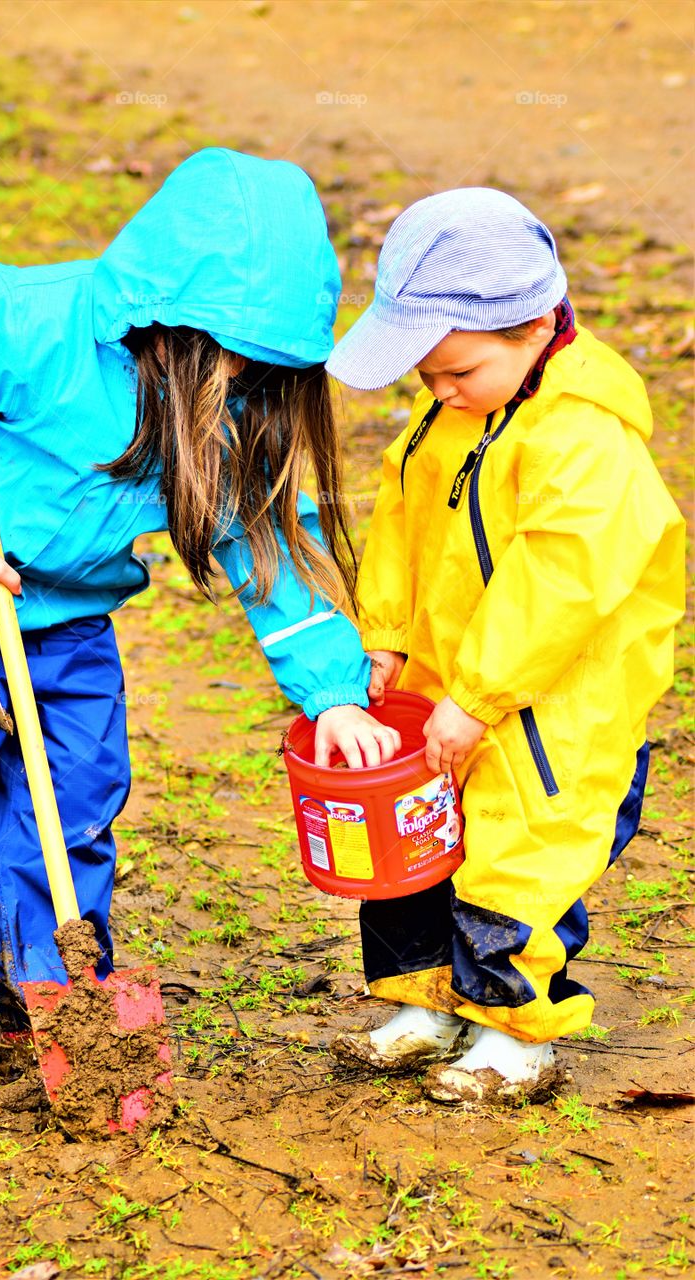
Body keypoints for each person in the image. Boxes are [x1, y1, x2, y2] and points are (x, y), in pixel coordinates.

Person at [0, 147, 401, 1099]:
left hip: (64, 621)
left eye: (265, 368)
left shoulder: (234, 409)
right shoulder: (15, 324)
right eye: (227, 355)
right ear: (163, 313)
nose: (242, 383)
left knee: (71, 800)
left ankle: (48, 991)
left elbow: (269, 560)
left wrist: (334, 694)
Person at [324, 188, 684, 1104]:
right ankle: (426, 998)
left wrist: (481, 696)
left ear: (531, 326)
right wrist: (391, 638)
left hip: (552, 704)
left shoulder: (582, 437)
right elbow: (403, 524)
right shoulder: (454, 415)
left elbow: (559, 583)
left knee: (520, 852)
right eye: (425, 377)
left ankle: (514, 1033)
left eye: (457, 372)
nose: (439, 392)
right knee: (418, 842)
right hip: (453, 682)